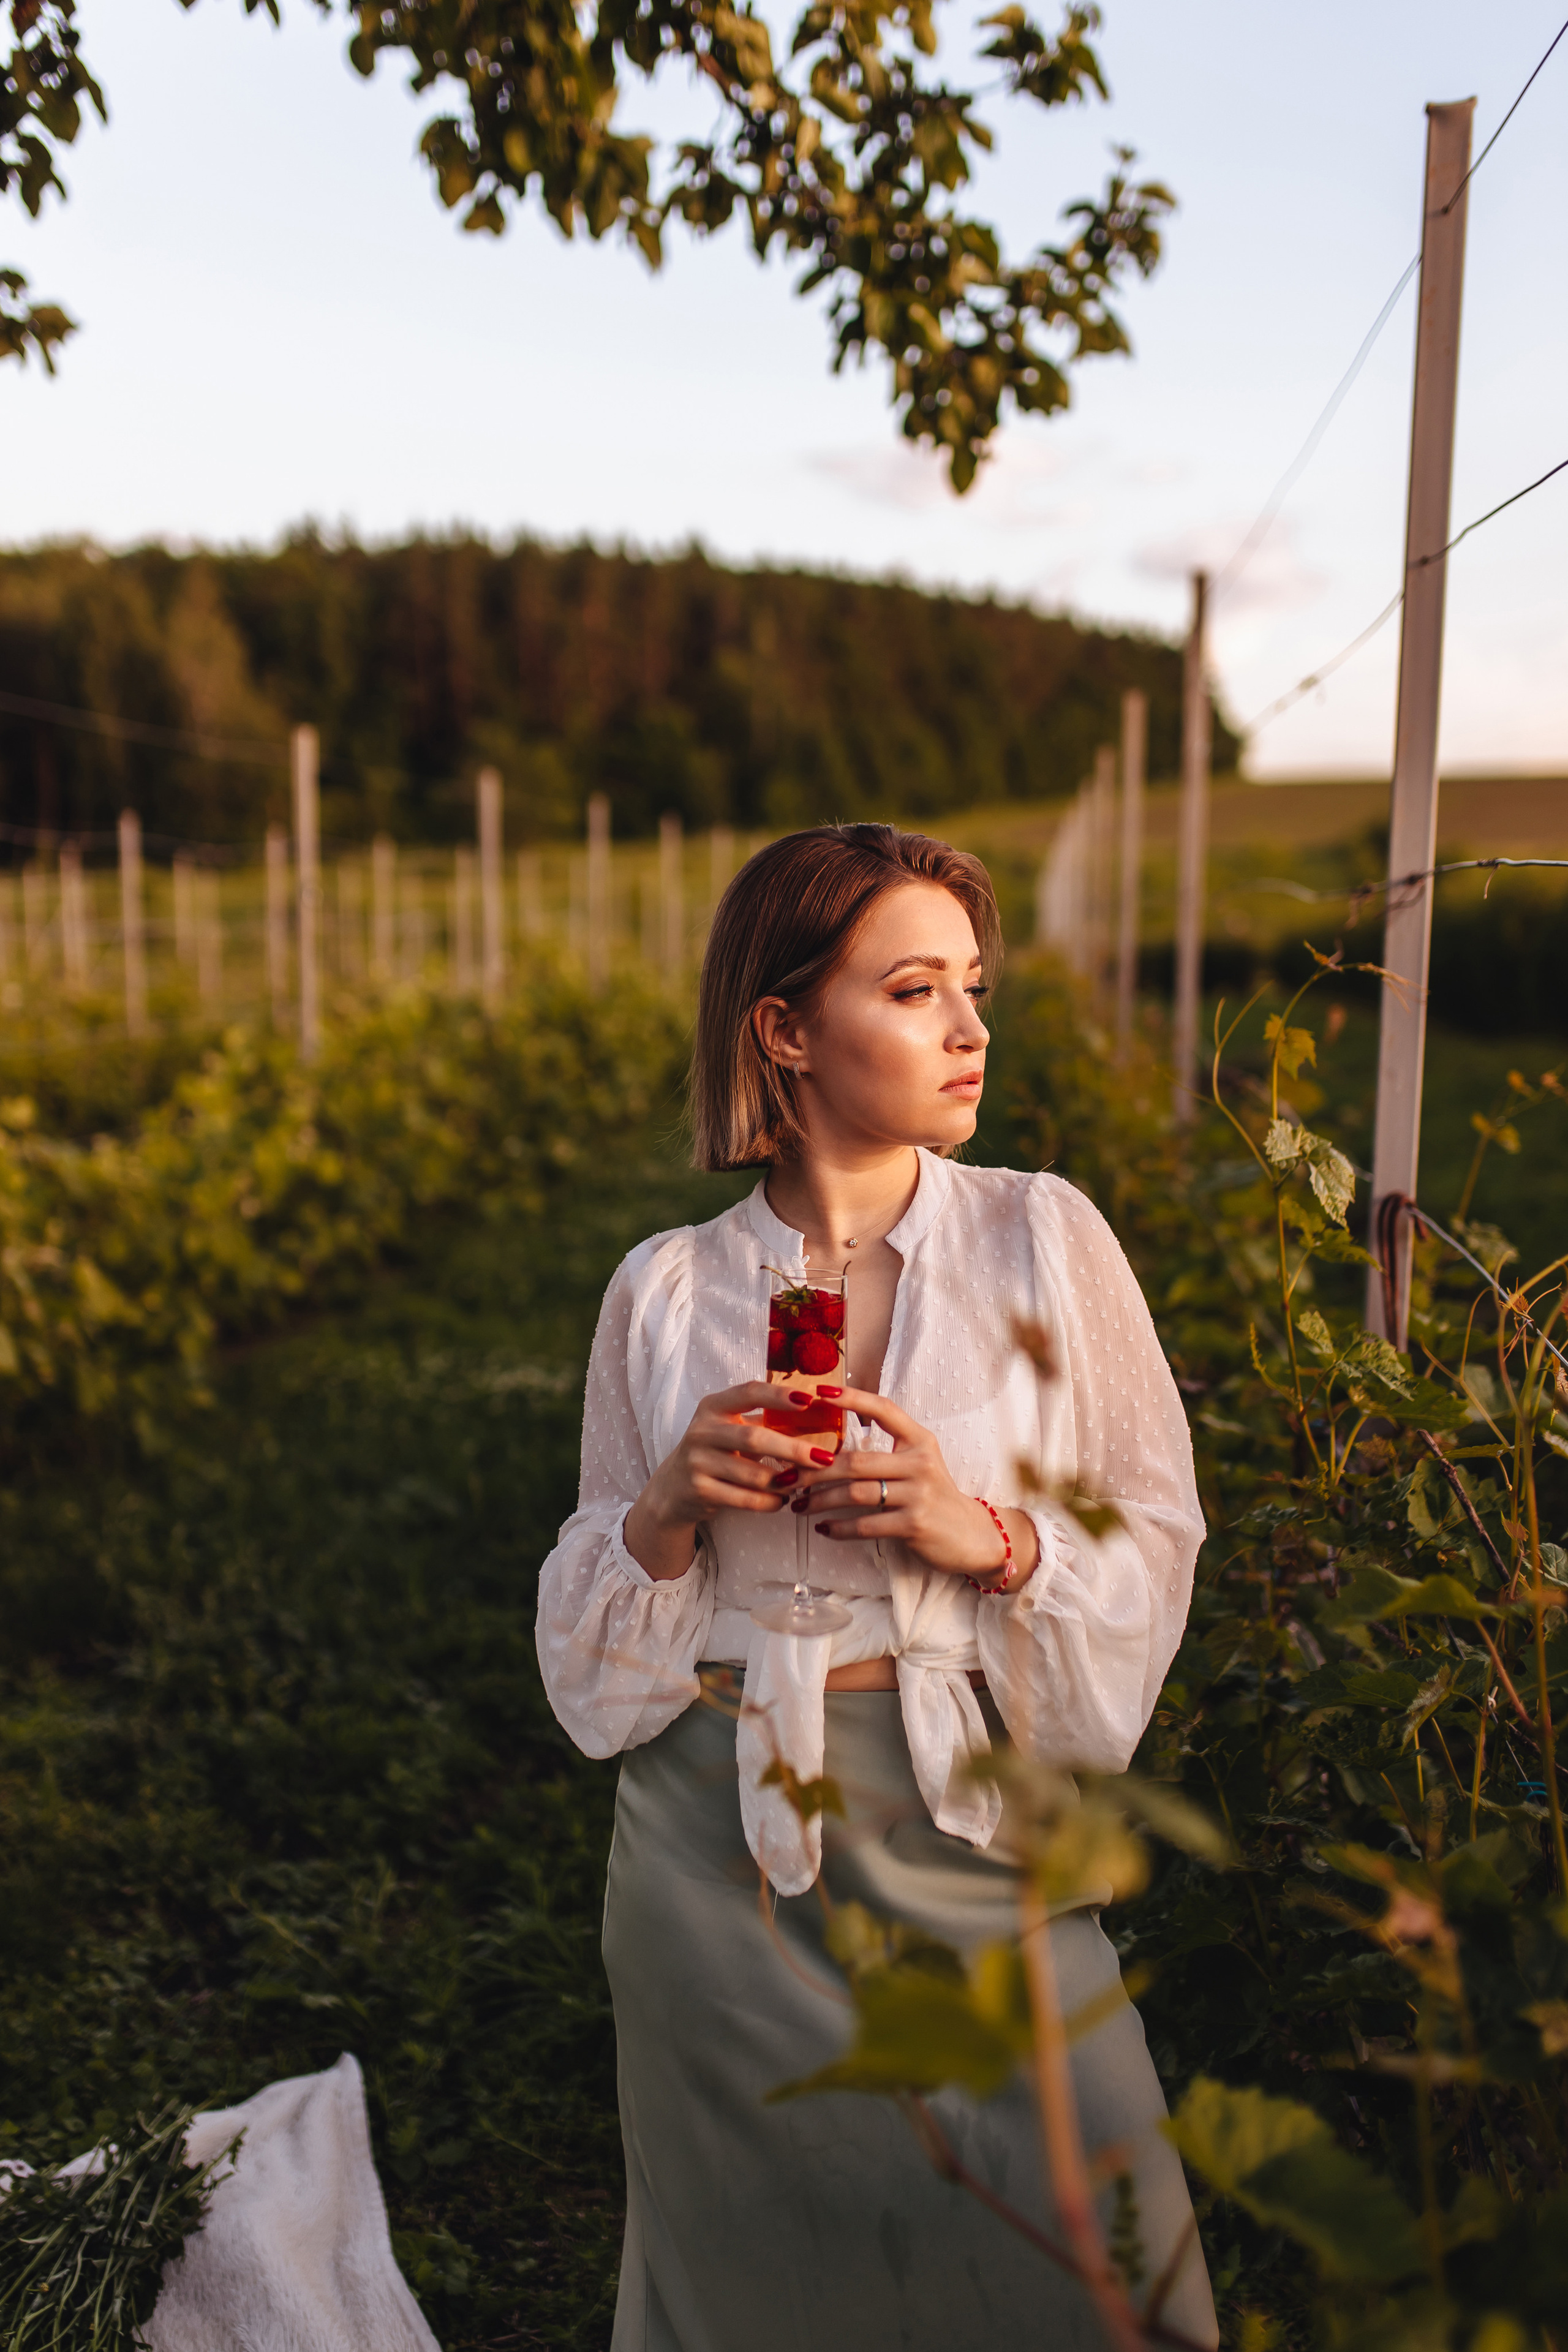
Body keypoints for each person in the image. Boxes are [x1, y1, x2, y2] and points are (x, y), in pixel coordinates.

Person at [536, 824, 1218, 2352]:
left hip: (966, 1821)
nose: (969, 1028)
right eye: (914, 991)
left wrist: (986, 1534)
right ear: (782, 1030)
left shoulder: (1039, 1237)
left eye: (972, 987)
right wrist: (665, 1509)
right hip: (716, 1850)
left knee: (1093, 2258)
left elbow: (1156, 1526)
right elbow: (594, 1642)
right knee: (757, 2280)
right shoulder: (664, 1289)